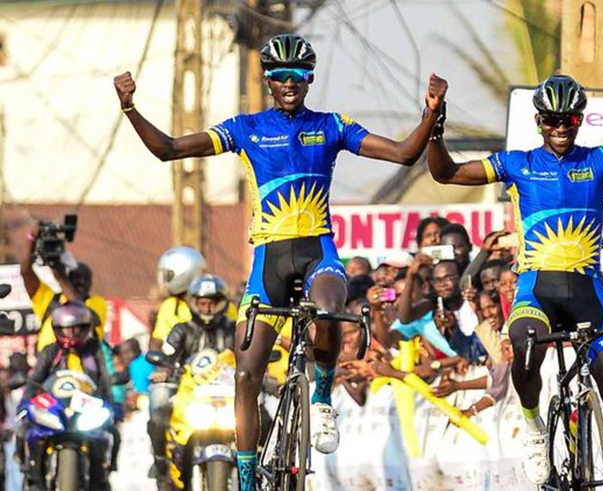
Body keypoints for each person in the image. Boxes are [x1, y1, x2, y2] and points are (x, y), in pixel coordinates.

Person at [115, 32, 447, 490]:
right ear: (269, 80)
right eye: (281, 75)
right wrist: (130, 108)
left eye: (299, 75)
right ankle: (249, 476)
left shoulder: (331, 125)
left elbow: (404, 154)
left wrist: (430, 113)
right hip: (268, 261)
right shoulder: (245, 128)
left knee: (330, 307)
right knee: (247, 373)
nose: (290, 82)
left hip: (317, 252)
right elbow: (168, 149)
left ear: (310, 79)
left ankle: (323, 395)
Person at [426, 74, 603, 483]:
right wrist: (435, 124)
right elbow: (446, 173)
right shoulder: (517, 163)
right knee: (526, 350)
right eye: (552, 120)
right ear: (539, 121)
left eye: (569, 120)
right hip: (536, 289)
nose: (560, 127)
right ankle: (532, 425)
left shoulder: (601, 158)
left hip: (588, 292)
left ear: (580, 120)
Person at [152, 274, 235, 489]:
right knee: (158, 403)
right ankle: (162, 463)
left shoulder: (234, 329)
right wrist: (164, 369)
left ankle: (265, 464)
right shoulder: (181, 330)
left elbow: (248, 355)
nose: (207, 309)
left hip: (228, 395)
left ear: (222, 304)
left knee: (267, 412)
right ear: (193, 303)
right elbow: (166, 355)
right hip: (189, 396)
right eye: (202, 303)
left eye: (212, 303)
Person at [20, 303, 113, 491]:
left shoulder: (95, 351)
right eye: (66, 329)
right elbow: (35, 380)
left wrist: (112, 404)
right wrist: (24, 402)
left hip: (86, 410)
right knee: (26, 432)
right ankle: (33, 477)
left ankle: (100, 479)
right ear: (56, 330)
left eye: (76, 328)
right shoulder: (50, 352)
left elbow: (106, 380)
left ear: (87, 328)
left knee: (109, 435)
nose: (71, 334)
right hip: (54, 410)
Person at [145, 246, 206, 488]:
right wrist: (161, 364)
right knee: (158, 403)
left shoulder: (222, 303)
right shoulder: (170, 307)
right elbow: (157, 342)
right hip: (178, 377)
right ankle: (161, 464)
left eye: (168, 274)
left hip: (213, 380)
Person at [21, 230, 107, 352]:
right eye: (76, 278)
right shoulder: (50, 299)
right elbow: (26, 273)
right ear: (69, 279)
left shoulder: (97, 303)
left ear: (91, 283)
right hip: (50, 366)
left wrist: (60, 275)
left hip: (82, 369)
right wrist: (31, 239)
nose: (81, 283)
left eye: (85, 279)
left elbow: (79, 310)